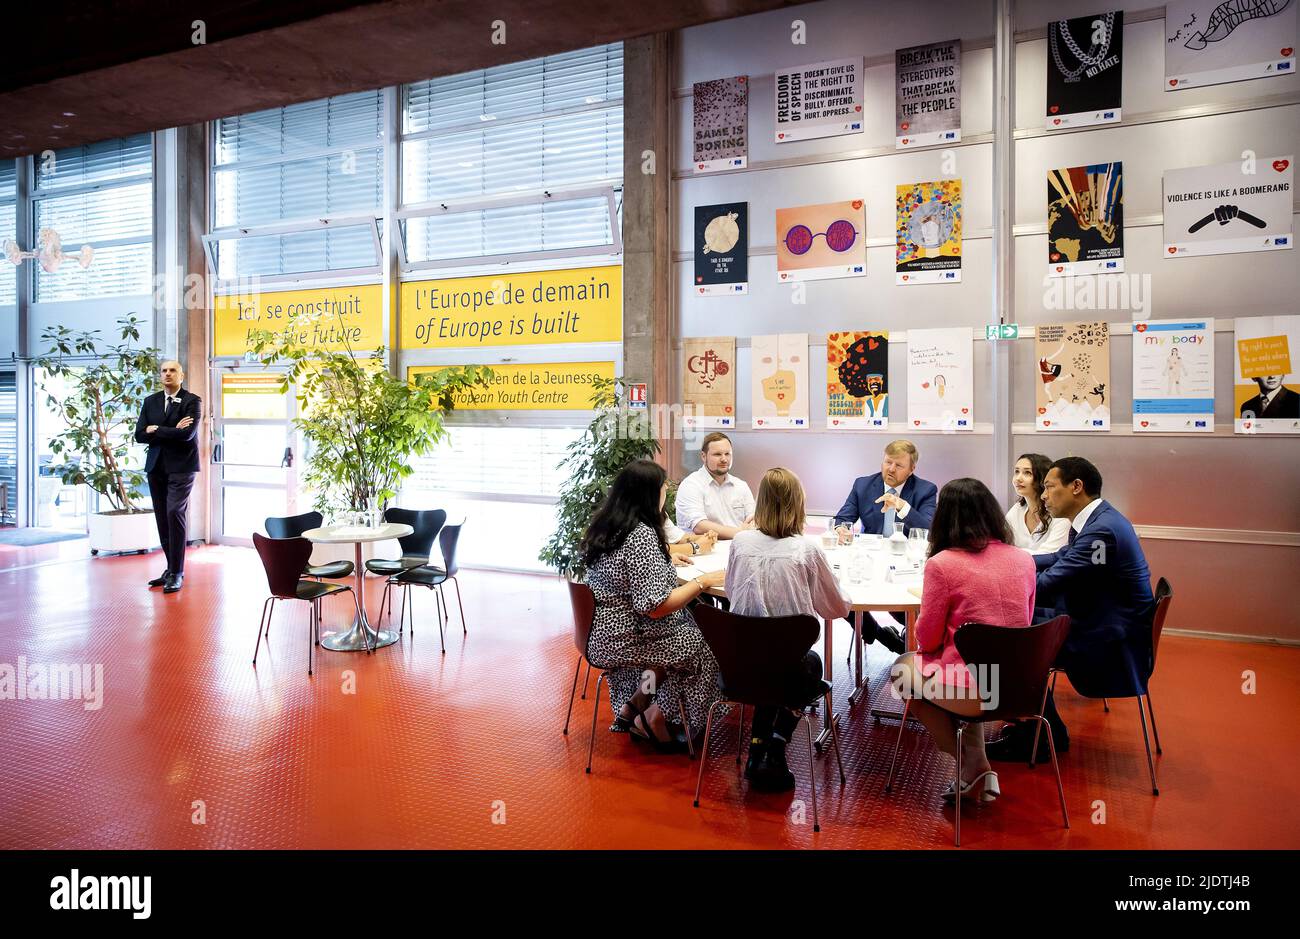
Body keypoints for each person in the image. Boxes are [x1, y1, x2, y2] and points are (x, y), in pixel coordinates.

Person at [987, 457, 1155, 762]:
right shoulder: (1098, 520)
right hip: (1100, 620)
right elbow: (1058, 558)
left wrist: (992, 584)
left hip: (1107, 640)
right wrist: (1007, 564)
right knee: (1013, 625)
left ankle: (1038, 737)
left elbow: (1051, 581)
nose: (1044, 495)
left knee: (1007, 639)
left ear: (1076, 487)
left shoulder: (1101, 531)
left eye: (1050, 487)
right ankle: (1038, 727)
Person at [891, 477, 1036, 804]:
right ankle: (980, 763)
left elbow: (926, 640)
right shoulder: (1024, 559)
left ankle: (966, 759)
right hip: (1019, 685)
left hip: (973, 692)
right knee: (964, 667)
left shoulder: (942, 565)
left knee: (903, 672)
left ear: (944, 518)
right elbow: (1024, 621)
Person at [583, 459, 725, 753]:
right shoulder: (641, 535)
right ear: (650, 494)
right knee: (700, 643)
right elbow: (656, 606)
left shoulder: (609, 526)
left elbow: (627, 572)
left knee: (679, 636)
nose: (665, 495)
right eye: (663, 489)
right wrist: (702, 582)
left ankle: (635, 703)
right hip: (627, 637)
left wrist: (664, 561)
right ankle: (655, 718)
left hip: (600, 633)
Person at [726, 468, 850, 792]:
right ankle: (777, 747)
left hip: (740, 665)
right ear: (799, 504)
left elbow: (730, 593)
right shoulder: (806, 550)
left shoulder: (739, 543)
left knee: (772, 662)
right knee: (808, 663)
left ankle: (756, 749)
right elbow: (835, 609)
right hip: (787, 669)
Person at [832, 439, 938, 652]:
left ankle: (909, 633)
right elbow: (842, 518)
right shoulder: (862, 485)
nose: (890, 469)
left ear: (911, 469)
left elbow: (928, 530)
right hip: (870, 562)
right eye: (888, 462)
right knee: (837, 595)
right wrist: (840, 529)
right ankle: (880, 635)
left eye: (898, 465)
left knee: (902, 602)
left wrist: (902, 506)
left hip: (906, 566)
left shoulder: (925, 489)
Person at [134, 359, 201, 594]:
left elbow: (187, 434)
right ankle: (170, 568)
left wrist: (157, 429)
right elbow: (139, 435)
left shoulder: (192, 401)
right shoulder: (150, 401)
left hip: (182, 467)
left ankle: (177, 572)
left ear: (181, 375)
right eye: (164, 371)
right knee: (163, 517)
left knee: (174, 512)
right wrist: (167, 430)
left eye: (173, 370)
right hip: (156, 467)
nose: (168, 374)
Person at [675, 432, 756, 540]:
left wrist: (750, 527)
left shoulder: (741, 485)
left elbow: (753, 519)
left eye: (727, 454)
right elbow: (699, 526)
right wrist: (739, 532)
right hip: (704, 553)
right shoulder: (691, 485)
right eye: (717, 454)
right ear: (703, 456)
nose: (724, 459)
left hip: (739, 550)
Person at [1005, 453, 1070, 554]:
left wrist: (1012, 554)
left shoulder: (1061, 515)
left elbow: (1050, 554)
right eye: (1016, 472)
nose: (1018, 478)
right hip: (1019, 567)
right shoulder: (1017, 509)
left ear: (1043, 478)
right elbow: (1001, 545)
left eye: (1027, 473)